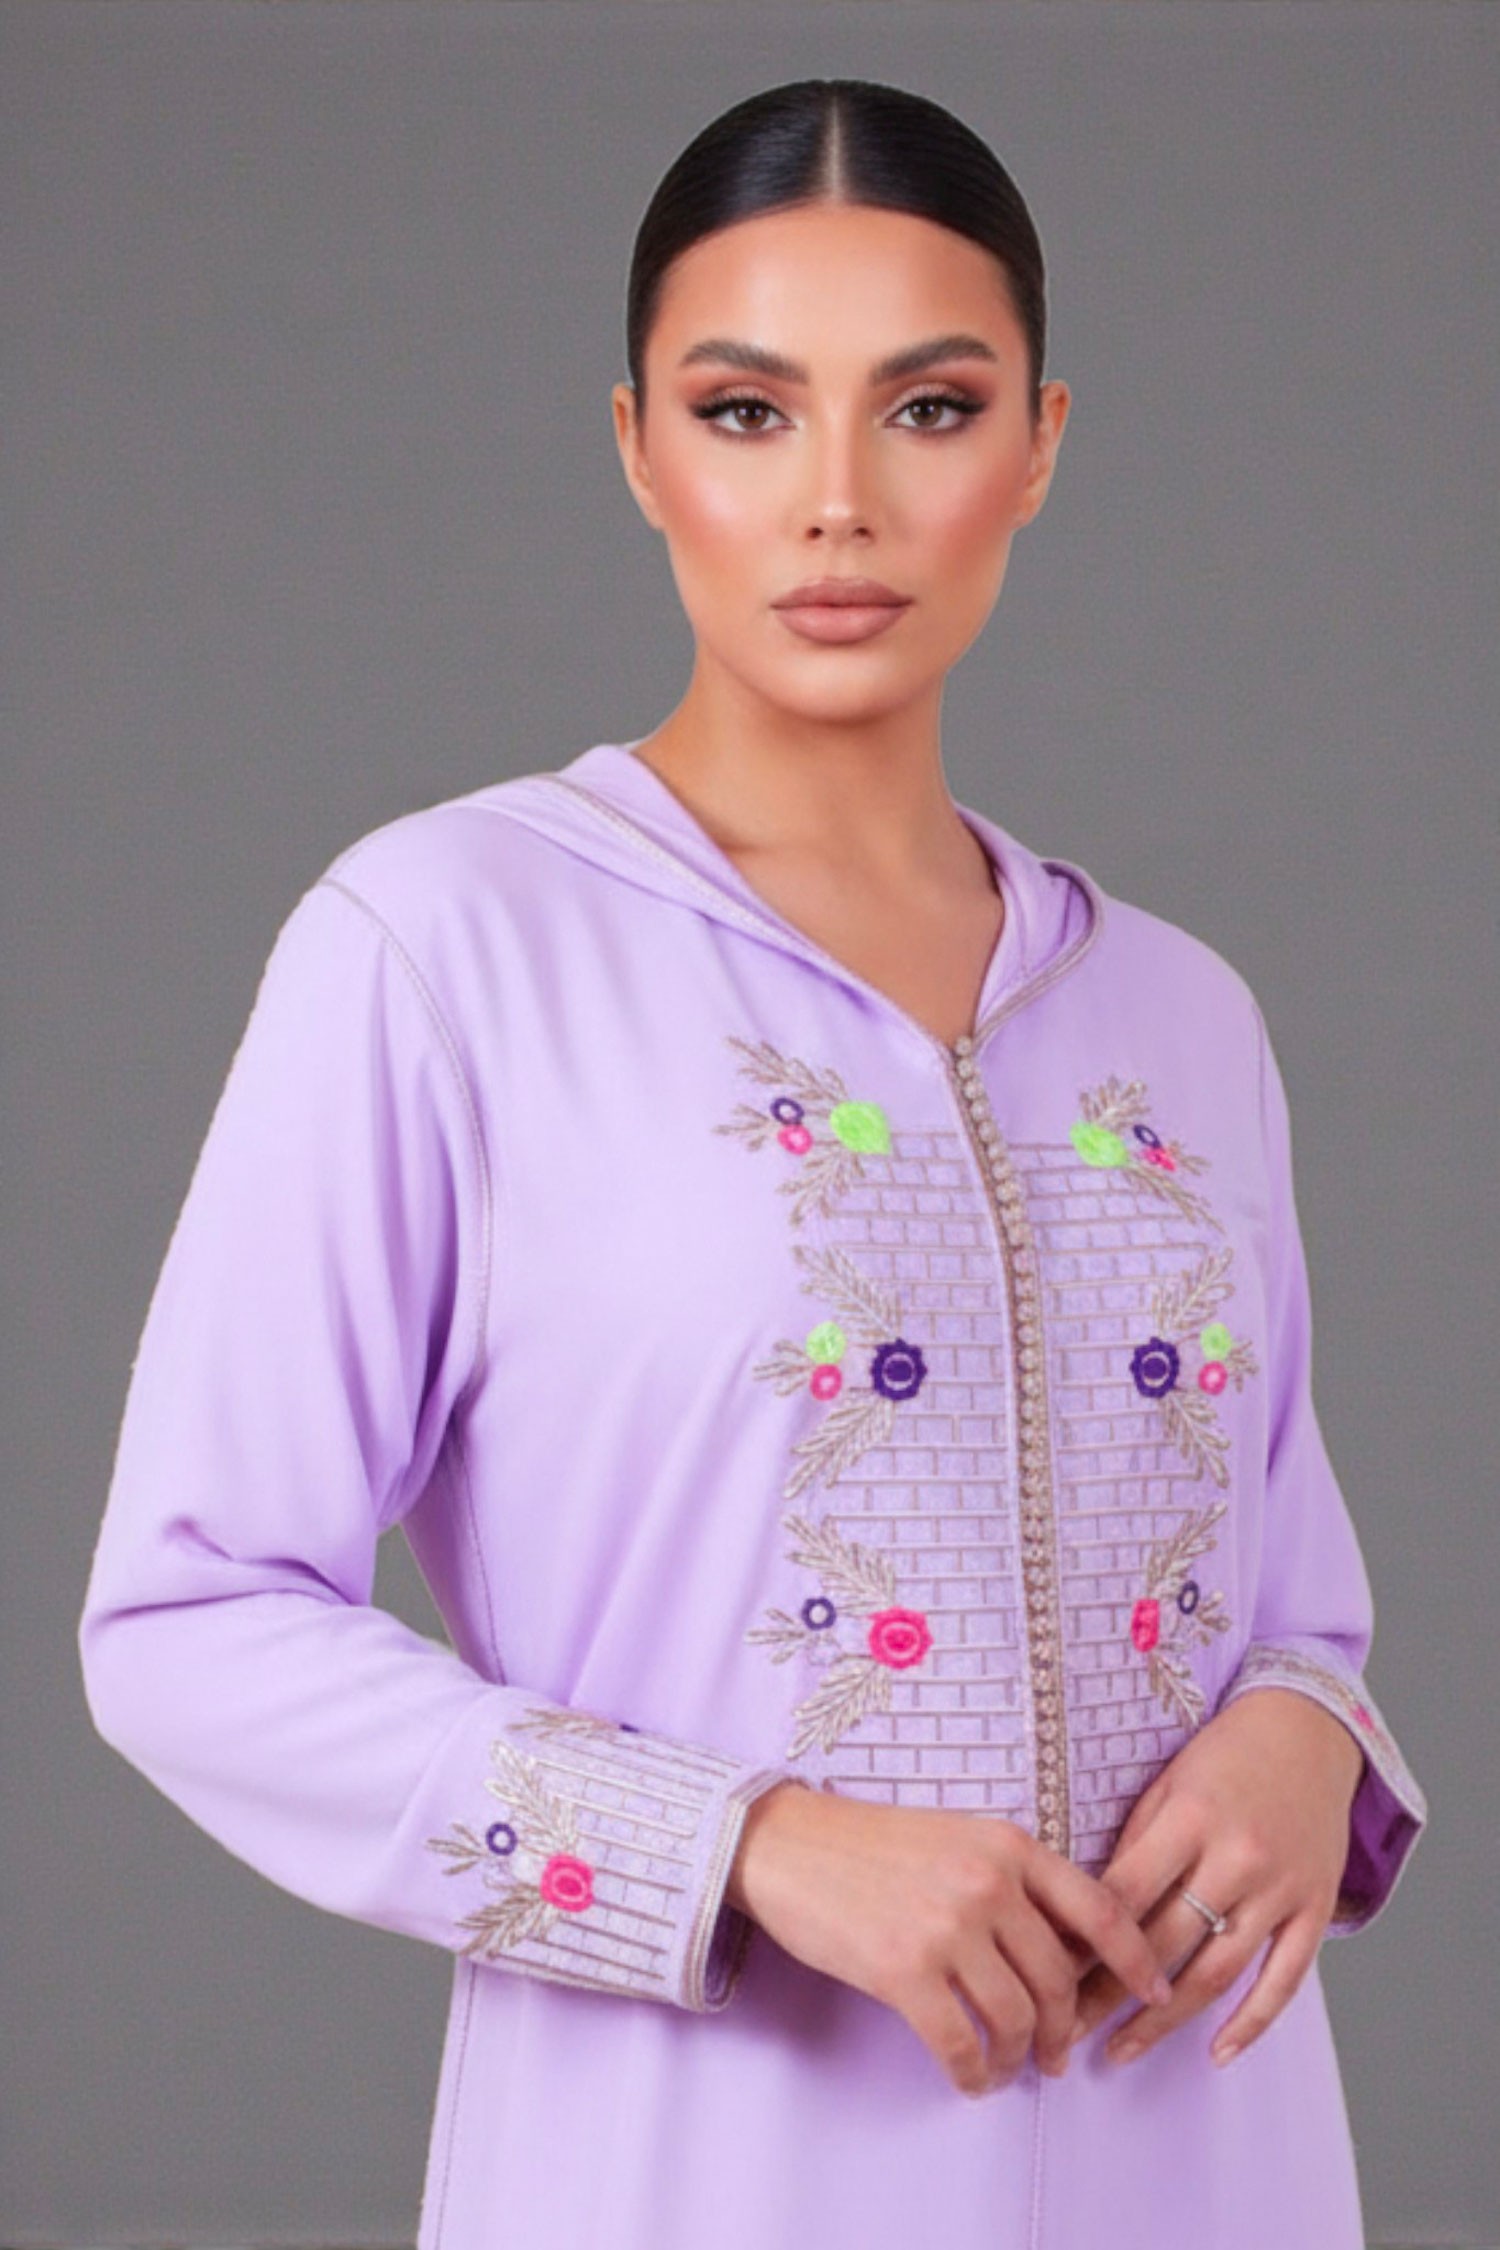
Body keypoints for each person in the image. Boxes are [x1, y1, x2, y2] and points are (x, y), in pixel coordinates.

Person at [78, 75, 1428, 2250]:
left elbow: (1294, 1591)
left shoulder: (1183, 1016)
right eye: (746, 411)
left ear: (1039, 446)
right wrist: (745, 1843)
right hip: (699, 2171)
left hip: (1206, 2149)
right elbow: (186, 1616)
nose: (837, 504)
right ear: (638, 448)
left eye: (928, 408)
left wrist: (1305, 1732)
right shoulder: (447, 948)